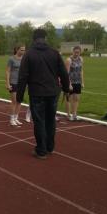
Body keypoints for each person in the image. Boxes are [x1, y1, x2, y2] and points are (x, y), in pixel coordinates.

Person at [17, 29, 69, 159]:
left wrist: (19, 95)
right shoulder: (54, 53)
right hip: (53, 92)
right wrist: (67, 89)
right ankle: (49, 146)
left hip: (37, 93)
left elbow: (23, 77)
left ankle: (41, 149)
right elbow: (63, 73)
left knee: (39, 121)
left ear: (34, 39)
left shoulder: (28, 55)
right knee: (50, 120)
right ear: (45, 38)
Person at [6, 45, 26, 126]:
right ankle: (11, 119)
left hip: (21, 82)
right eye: (21, 50)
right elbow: (7, 71)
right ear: (17, 50)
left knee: (19, 101)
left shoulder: (24, 59)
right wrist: (7, 83)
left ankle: (16, 118)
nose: (23, 51)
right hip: (13, 82)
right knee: (14, 101)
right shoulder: (11, 59)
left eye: (24, 50)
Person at [66, 46, 84, 121]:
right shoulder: (69, 60)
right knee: (69, 99)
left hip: (78, 81)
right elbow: (67, 73)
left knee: (76, 98)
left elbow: (81, 71)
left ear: (80, 52)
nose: (76, 54)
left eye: (78, 52)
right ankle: (68, 115)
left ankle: (74, 114)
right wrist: (69, 84)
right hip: (70, 82)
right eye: (75, 52)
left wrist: (82, 82)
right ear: (73, 51)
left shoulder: (81, 59)